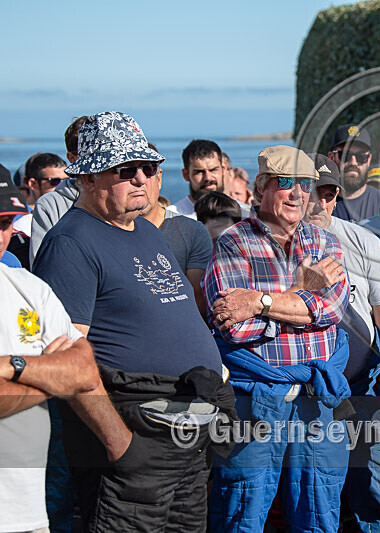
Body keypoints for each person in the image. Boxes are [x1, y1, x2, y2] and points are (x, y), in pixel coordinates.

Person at [32, 111, 233, 532]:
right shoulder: (71, 243)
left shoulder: (142, 229)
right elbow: (66, 363)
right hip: (135, 440)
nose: (142, 178)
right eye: (126, 170)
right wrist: (119, 444)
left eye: (149, 167)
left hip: (187, 433)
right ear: (87, 178)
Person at [204, 146, 351, 533]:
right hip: (256, 404)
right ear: (261, 187)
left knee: (318, 515)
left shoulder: (325, 242)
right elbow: (232, 326)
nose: (297, 193)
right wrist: (302, 290)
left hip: (317, 402)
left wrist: (259, 302)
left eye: (305, 184)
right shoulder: (233, 243)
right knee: (242, 512)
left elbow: (332, 311)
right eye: (285, 183)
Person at [0, 174, 99, 533]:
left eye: (5, 223)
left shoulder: (28, 286)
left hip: (29, 510)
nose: (0, 236)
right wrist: (49, 376)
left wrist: (15, 365)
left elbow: (83, 371)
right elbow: (67, 375)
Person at [306, 153, 380, 532]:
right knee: (314, 491)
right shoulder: (277, 243)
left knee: (372, 486)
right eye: (313, 192)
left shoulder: (361, 241)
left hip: (365, 385)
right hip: (307, 391)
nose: (320, 203)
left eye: (329, 194)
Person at [138, 151, 214, 315]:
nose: (139, 181)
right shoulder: (104, 234)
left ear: (159, 178)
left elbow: (198, 299)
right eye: (126, 172)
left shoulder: (192, 231)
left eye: (147, 171)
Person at [29, 116, 87, 262]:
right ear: (72, 158)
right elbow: (42, 264)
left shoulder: (124, 196)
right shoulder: (49, 205)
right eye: (88, 154)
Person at [169, 139, 249, 219]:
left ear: (223, 169)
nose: (207, 178)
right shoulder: (171, 218)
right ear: (186, 175)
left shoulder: (246, 216)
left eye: (213, 170)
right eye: (199, 172)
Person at [329, 124, 380, 222]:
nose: (353, 162)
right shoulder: (316, 205)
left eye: (361, 156)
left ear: (369, 159)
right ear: (331, 157)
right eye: (345, 155)